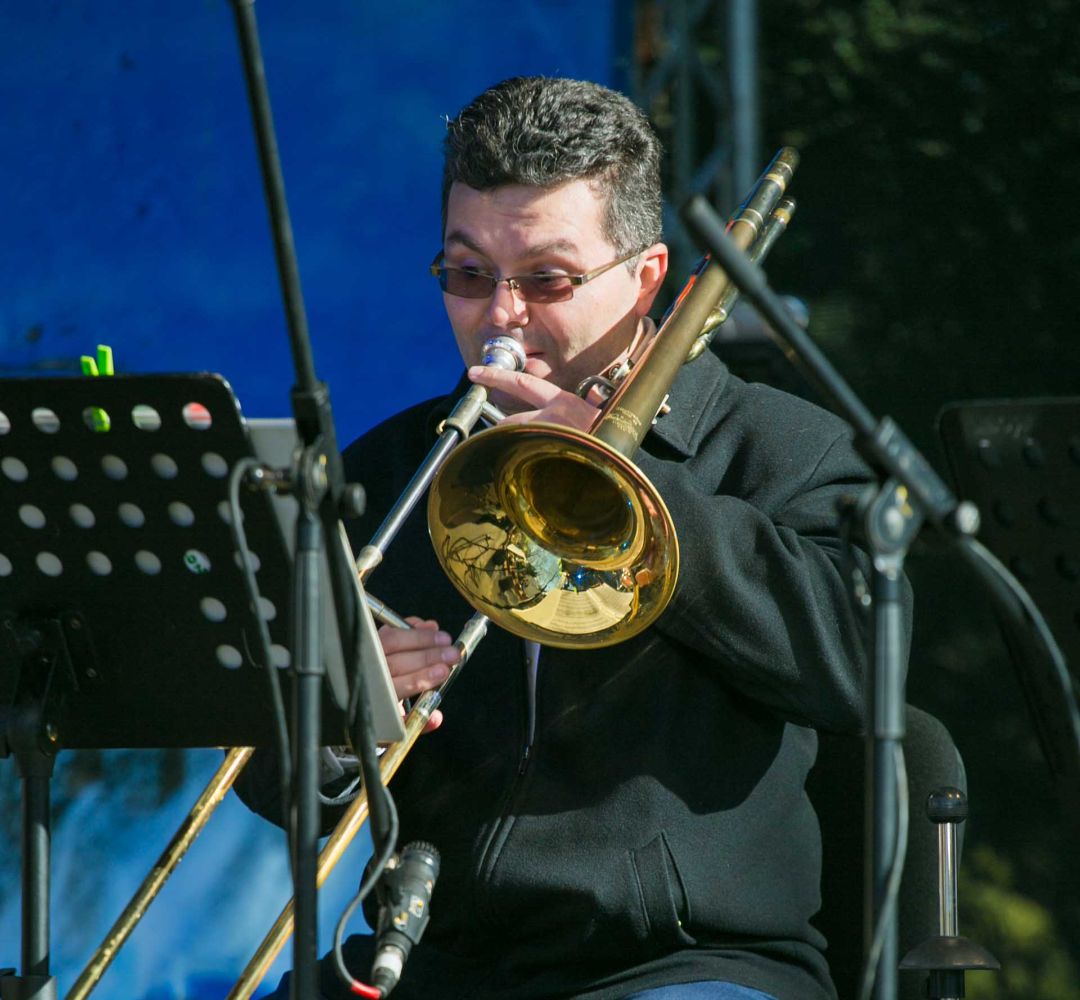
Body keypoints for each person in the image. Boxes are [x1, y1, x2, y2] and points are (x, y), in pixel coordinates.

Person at [238, 75, 907, 1000]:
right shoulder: (393, 468)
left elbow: (862, 663)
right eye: (468, 275)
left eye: (547, 280)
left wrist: (648, 494)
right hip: (434, 959)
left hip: (689, 964)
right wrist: (342, 717)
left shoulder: (782, 448)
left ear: (647, 278)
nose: (500, 316)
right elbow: (272, 782)